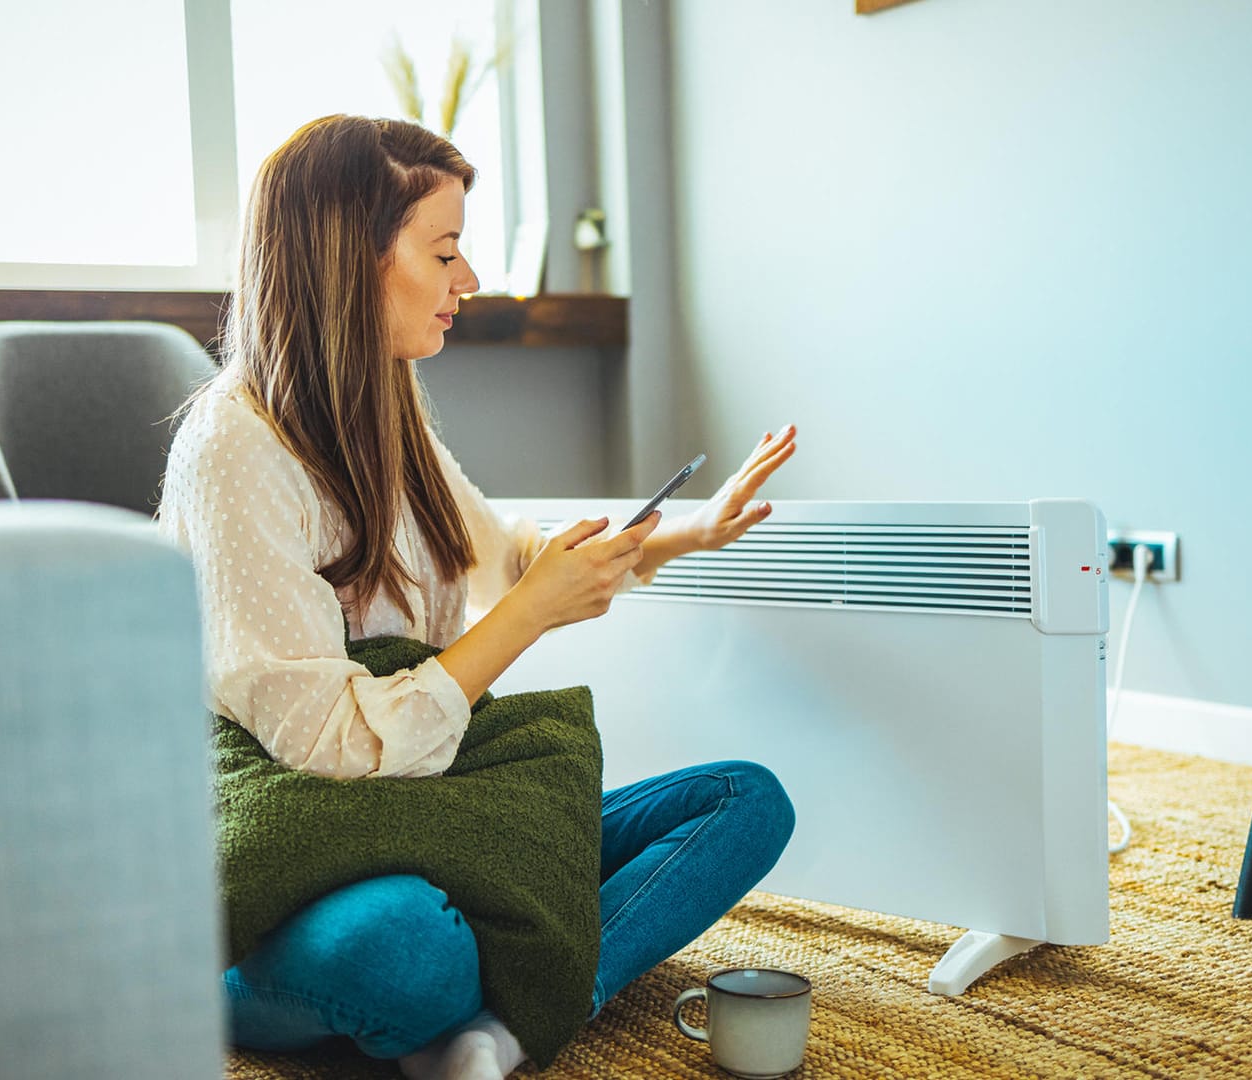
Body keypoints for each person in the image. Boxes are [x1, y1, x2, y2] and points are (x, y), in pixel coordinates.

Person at [157, 114, 798, 1080]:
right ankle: (212, 981)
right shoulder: (232, 448)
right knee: (406, 949)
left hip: (428, 800)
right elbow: (328, 749)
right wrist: (530, 615)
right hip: (292, 823)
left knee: (745, 802)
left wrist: (688, 531)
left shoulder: (389, 406)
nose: (470, 280)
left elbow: (505, 554)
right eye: (445, 250)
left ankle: (497, 1034)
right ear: (347, 259)